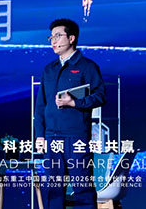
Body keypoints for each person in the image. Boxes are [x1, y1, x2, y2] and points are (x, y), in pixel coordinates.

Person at [34, 18, 106, 209]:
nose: (53, 41)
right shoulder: (49, 69)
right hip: (51, 138)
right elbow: (41, 105)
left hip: (76, 137)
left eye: (58, 36)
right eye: (51, 37)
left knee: (82, 187)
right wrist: (39, 135)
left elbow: (100, 96)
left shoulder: (87, 66)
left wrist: (74, 102)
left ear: (71, 38)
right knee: (54, 189)